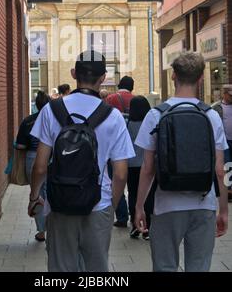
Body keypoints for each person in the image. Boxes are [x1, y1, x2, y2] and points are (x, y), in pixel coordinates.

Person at [28, 50, 135, 272]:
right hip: (98, 204)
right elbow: (121, 174)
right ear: (103, 77)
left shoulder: (51, 110)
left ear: (74, 73)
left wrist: (34, 197)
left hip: (59, 203)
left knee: (61, 268)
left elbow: (39, 167)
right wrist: (111, 207)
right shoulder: (112, 116)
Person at [135, 52, 229, 272]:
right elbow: (220, 170)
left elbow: (148, 169)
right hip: (203, 203)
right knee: (199, 267)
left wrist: (139, 206)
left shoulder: (156, 115)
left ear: (173, 76)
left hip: (166, 204)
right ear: (200, 79)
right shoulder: (211, 116)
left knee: (164, 266)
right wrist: (222, 209)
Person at [15, 90, 50, 242]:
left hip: (32, 158)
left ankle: (41, 231)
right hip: (51, 158)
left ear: (36, 105)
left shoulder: (28, 121)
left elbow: (21, 145)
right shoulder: (54, 120)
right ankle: (54, 228)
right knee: (51, 191)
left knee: (37, 193)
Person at [106, 76, 135, 228]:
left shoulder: (111, 98)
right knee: (134, 184)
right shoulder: (137, 99)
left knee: (116, 180)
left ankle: (122, 216)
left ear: (119, 85)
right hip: (136, 147)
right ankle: (135, 214)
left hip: (116, 148)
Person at [127, 96, 156, 240]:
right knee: (149, 195)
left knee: (133, 193)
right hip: (148, 164)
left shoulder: (128, 123)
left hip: (131, 165)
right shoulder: (150, 121)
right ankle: (148, 226)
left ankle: (135, 224)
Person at [212, 85, 232, 200]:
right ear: (224, 94)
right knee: (228, 165)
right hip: (224, 141)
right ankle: (228, 191)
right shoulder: (218, 108)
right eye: (230, 95)